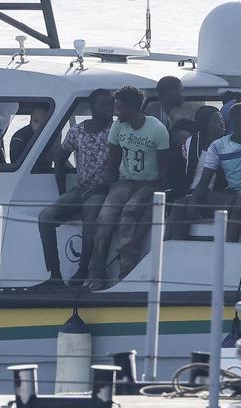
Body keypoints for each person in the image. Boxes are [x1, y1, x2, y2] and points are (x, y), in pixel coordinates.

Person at [86, 85, 171, 289]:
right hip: (124, 181)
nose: (115, 113)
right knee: (104, 218)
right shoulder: (118, 127)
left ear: (133, 108)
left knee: (130, 213)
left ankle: (127, 271)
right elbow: (114, 161)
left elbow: (164, 169)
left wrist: (155, 191)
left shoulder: (157, 129)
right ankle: (96, 273)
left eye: (120, 108)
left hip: (149, 183)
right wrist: (110, 187)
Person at [37, 89, 114, 287]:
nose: (110, 109)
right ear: (92, 108)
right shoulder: (77, 131)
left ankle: (82, 271)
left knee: (90, 223)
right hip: (81, 189)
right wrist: (62, 193)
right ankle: (54, 275)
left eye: (111, 104)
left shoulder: (117, 131)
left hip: (103, 191)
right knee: (45, 217)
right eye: (105, 105)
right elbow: (59, 160)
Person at [172, 103, 241, 241]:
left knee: (236, 202)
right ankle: (170, 248)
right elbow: (205, 180)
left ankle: (229, 248)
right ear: (236, 120)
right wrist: (193, 201)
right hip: (230, 192)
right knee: (180, 204)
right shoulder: (218, 146)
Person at [183, 106, 225, 195]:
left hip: (214, 193)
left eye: (222, 120)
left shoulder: (226, 144)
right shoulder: (191, 142)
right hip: (190, 191)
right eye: (217, 121)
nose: (222, 123)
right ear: (205, 124)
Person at [9, 101, 53, 171]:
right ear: (30, 121)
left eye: (44, 122)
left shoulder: (52, 136)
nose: (39, 126)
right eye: (36, 121)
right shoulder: (19, 139)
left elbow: (59, 159)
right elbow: (21, 170)